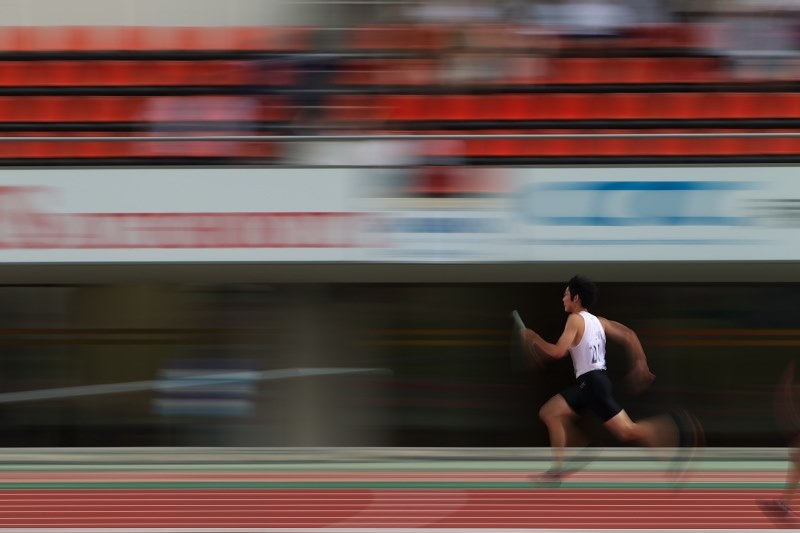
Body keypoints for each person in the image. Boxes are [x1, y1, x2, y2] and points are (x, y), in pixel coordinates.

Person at [521, 275, 701, 480]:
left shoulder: (574, 320)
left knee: (628, 431)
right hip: (593, 383)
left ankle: (677, 431)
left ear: (576, 297)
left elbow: (558, 352)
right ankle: (567, 461)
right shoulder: (600, 322)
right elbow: (629, 335)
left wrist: (534, 338)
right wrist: (640, 363)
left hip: (592, 384)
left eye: (565, 294)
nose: (563, 299)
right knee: (551, 412)